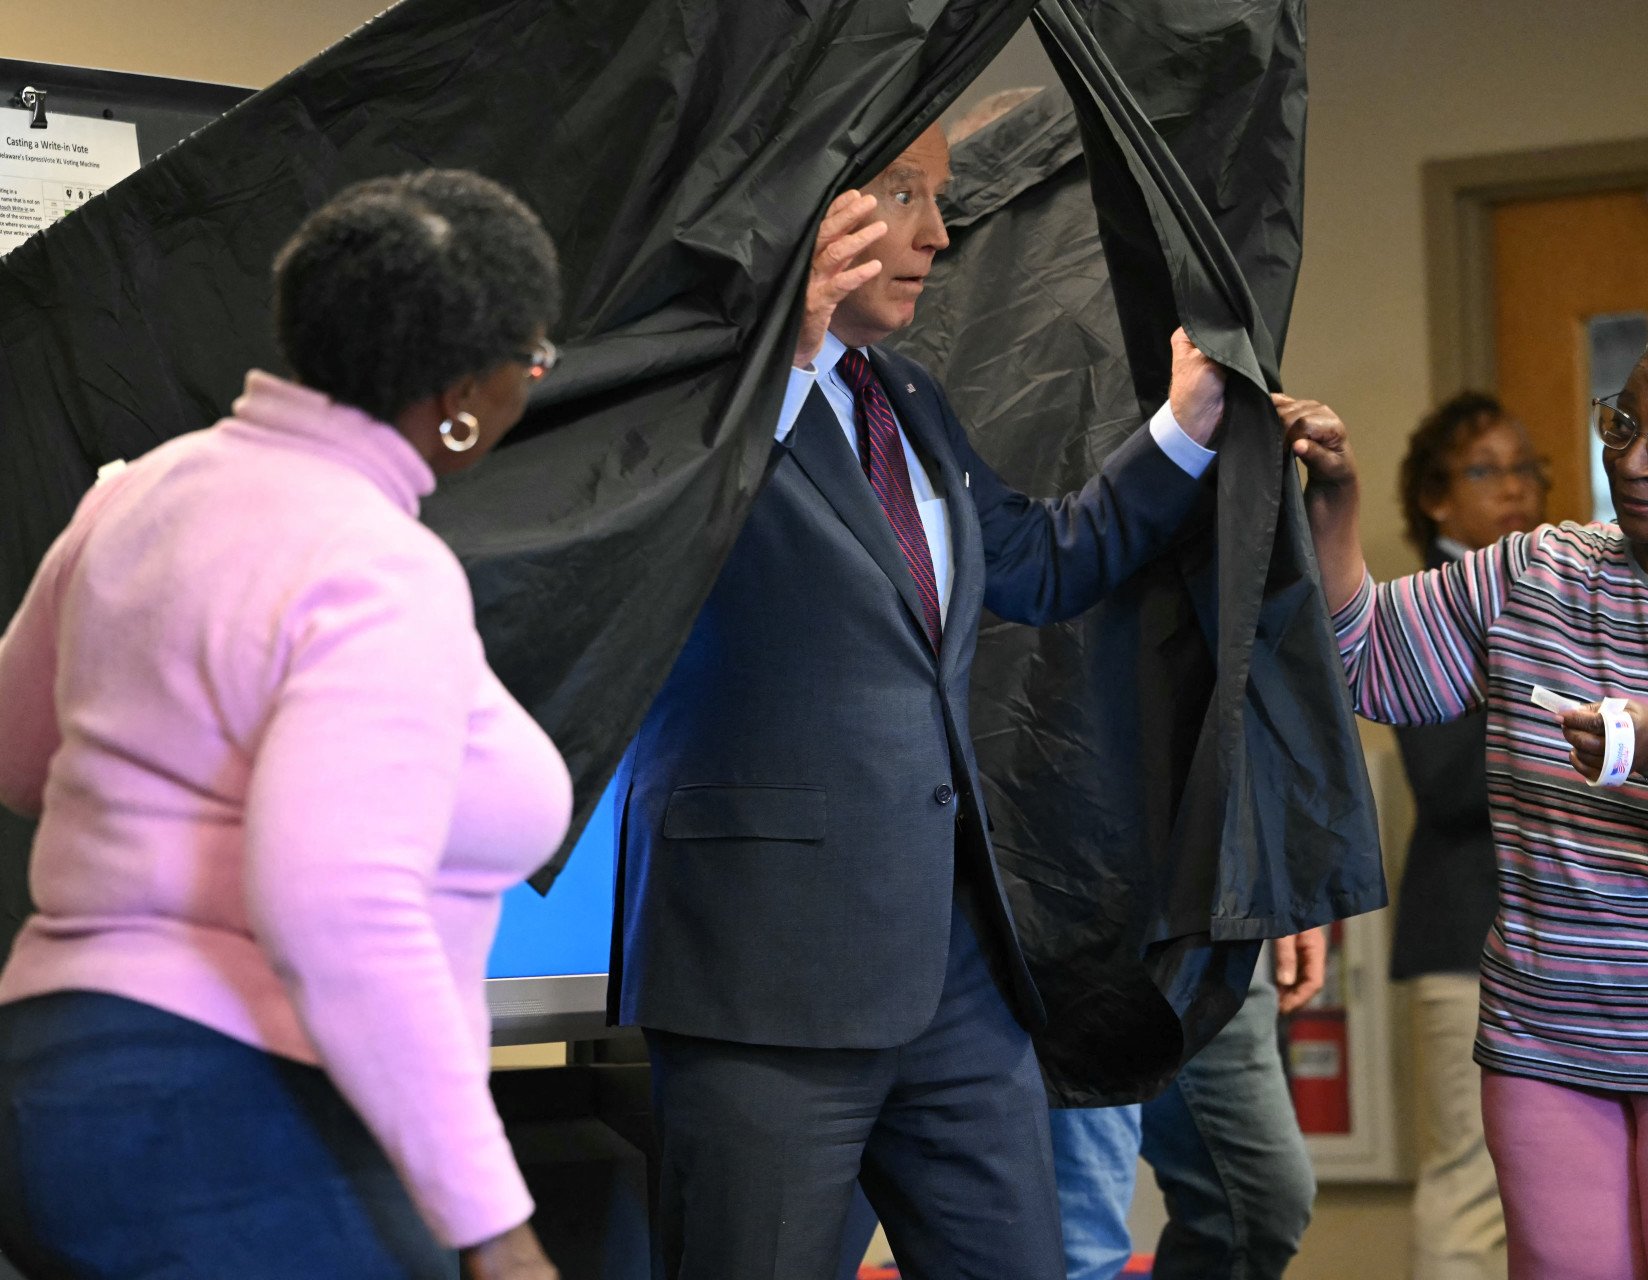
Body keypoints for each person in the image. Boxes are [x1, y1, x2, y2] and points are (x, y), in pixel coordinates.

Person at [614, 122, 1229, 1280]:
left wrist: (1185, 429)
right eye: (905, 194)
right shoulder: (689, 388)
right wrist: (781, 360)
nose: (939, 235)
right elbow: (646, 541)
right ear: (816, 206)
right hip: (765, 974)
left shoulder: (905, 395)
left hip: (951, 973)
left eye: (939, 199)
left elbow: (1040, 560)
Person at [0, 170, 570, 1280]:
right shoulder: (376, 564)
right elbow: (337, 902)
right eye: (532, 363)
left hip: (48, 1077)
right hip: (224, 1109)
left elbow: (18, 754)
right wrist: (497, 1230)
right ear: (464, 392)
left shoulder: (143, 490)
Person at [1279, 314, 1648, 1280]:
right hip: (1550, 1043)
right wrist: (1335, 498)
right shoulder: (1541, 571)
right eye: (1621, 424)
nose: (1634, 462)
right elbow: (1367, 660)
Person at [1391, 393, 1546, 1280]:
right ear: (1437, 500)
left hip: (1562, 943)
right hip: (1467, 937)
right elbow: (1447, 785)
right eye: (1486, 471)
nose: (1514, 489)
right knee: (1472, 1187)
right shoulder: (1429, 605)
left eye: (1524, 467)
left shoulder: (1549, 587)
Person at [1049, 931, 1325, 1280]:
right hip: (1077, 917)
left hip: (1217, 919)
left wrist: (1293, 885)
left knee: (1255, 1207)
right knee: (1082, 1245)